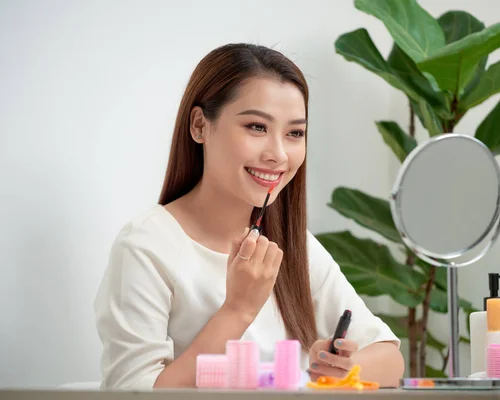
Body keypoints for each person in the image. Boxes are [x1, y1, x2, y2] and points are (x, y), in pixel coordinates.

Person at [94, 43, 405, 389]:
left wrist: (335, 368)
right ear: (199, 125)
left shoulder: (293, 244)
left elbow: (390, 360)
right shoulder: (145, 247)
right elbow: (133, 393)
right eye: (257, 127)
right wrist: (238, 310)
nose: (278, 154)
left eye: (295, 133)